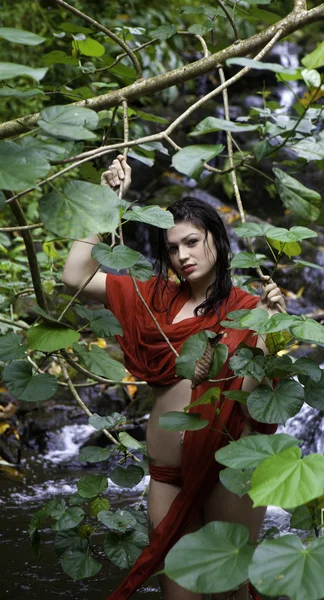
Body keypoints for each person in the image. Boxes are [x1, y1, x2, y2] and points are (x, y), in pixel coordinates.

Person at [62, 155, 286, 600]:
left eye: (191, 242)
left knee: (229, 591)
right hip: (166, 475)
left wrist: (274, 328)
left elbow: (257, 395)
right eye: (171, 248)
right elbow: (73, 275)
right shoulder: (152, 298)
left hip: (228, 469)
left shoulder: (251, 307)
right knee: (177, 594)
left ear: (217, 242)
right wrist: (106, 202)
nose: (181, 255)